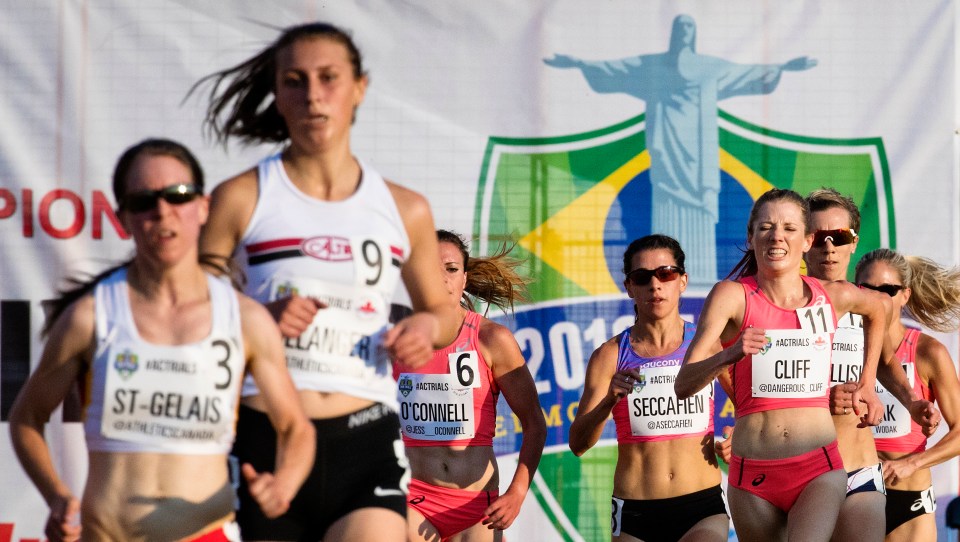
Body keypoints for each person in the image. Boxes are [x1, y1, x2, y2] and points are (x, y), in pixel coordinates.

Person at [192, 22, 459, 542]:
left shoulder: (405, 208)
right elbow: (191, 309)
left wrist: (426, 325)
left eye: (328, 78)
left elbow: (444, 313)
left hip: (365, 437)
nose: (313, 95)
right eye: (295, 80)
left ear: (359, 87)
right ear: (276, 89)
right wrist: (257, 318)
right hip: (265, 439)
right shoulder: (241, 196)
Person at [8, 139, 315, 542]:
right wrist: (57, 496)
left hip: (204, 534)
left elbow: (296, 427)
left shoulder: (244, 318)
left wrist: (284, 486)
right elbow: (26, 419)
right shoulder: (91, 315)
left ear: (203, 207)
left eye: (179, 195)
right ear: (123, 217)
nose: (163, 211)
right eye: (143, 201)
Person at [675, 188, 886, 541]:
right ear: (751, 236)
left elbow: (878, 309)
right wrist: (729, 354)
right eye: (766, 227)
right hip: (751, 474)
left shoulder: (830, 296)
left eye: (789, 228)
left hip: (818, 467)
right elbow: (684, 385)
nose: (777, 236)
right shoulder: (731, 296)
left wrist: (867, 382)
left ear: (806, 241)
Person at [543, 14, 816, 286]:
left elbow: (745, 74)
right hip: (667, 153)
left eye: (689, 28)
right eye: (680, 29)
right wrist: (581, 63)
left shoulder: (708, 68)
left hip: (699, 156)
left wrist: (782, 68)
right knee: (667, 204)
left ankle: (695, 276)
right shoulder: (654, 67)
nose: (684, 34)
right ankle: (666, 273)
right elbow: (618, 69)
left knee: (699, 212)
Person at [571, 234, 728, 542]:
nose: (655, 285)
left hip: (701, 505)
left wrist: (738, 437)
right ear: (629, 286)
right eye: (642, 277)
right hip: (635, 513)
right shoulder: (609, 355)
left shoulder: (706, 344)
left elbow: (751, 407)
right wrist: (608, 401)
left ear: (682, 280)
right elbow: (578, 443)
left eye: (665, 273)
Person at [804, 188, 940, 542]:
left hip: (860, 470)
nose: (829, 246)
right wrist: (819, 398)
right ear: (804, 241)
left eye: (840, 236)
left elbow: (882, 361)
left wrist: (911, 402)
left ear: (854, 242)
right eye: (819, 237)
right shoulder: (781, 306)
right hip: (802, 471)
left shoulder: (866, 304)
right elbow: (732, 366)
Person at [396, 230, 546, 541]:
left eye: (451, 269)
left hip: (477, 508)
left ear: (465, 278)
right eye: (430, 270)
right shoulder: (395, 340)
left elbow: (534, 423)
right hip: (414, 500)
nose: (442, 279)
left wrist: (517, 492)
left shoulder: (492, 339)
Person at [855, 249, 960, 541]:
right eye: (867, 288)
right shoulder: (838, 342)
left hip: (908, 503)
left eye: (888, 290)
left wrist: (911, 463)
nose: (877, 298)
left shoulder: (929, 353)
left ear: (905, 295)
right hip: (851, 500)